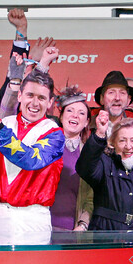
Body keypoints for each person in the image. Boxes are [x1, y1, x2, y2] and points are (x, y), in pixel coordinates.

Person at [0, 70, 64, 235]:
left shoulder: (55, 133)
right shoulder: (6, 123)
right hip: (1, 216)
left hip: (34, 218)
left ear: (50, 102)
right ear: (20, 95)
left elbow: (30, 160)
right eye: (30, 95)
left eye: (41, 98)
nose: (35, 103)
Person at [76, 115, 133, 230]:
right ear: (114, 143)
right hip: (105, 236)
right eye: (122, 140)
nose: (128, 146)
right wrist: (99, 135)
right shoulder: (105, 163)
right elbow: (84, 168)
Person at [50, 86, 93, 231]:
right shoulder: (45, 145)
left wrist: (83, 224)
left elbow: (90, 198)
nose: (75, 115)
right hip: (40, 227)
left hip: (73, 232)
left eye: (81, 113)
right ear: (61, 117)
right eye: (70, 110)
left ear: (87, 122)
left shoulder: (89, 154)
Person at [92, 71, 133, 138]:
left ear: (128, 100)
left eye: (122, 93)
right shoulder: (86, 124)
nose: (117, 98)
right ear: (102, 99)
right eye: (111, 92)